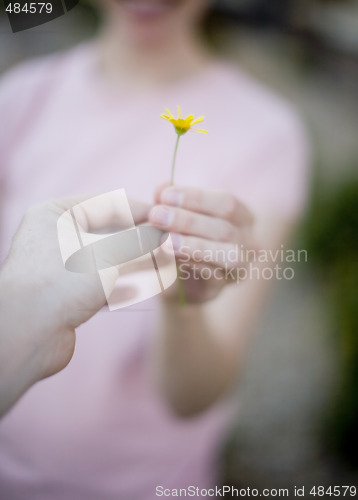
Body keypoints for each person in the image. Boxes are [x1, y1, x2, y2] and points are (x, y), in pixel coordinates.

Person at [0, 0, 309, 498]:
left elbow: (193, 398)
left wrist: (181, 301)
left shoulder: (268, 135)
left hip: (145, 485)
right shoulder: (19, 98)